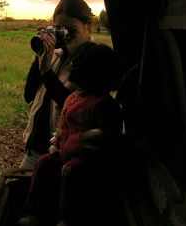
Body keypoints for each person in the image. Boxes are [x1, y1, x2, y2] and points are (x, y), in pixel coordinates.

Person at [18, 42, 123, 226]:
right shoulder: (73, 98)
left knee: (72, 172)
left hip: (87, 163)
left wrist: (94, 138)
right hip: (65, 154)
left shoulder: (104, 105)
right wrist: (57, 141)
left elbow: (109, 140)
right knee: (44, 162)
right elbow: (64, 125)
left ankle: (68, 218)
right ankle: (33, 211)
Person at [20, 0, 95, 169]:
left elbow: (74, 108)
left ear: (88, 26)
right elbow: (29, 94)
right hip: (34, 150)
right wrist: (40, 54)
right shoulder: (55, 55)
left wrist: (46, 72)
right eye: (60, 30)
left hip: (65, 156)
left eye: (71, 30)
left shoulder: (93, 60)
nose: (65, 37)